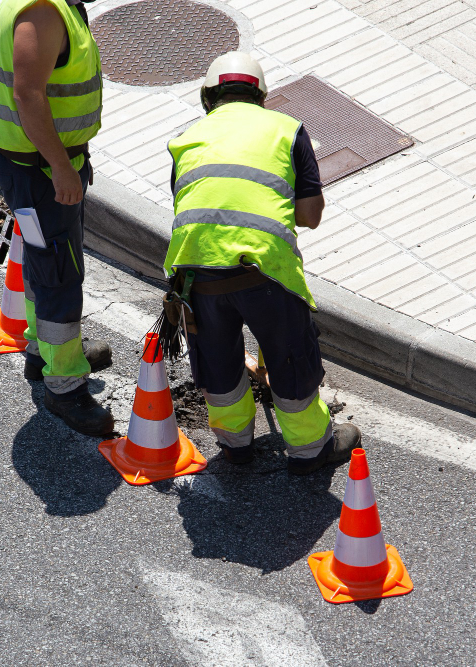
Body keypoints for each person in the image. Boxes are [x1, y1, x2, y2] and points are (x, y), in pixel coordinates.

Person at [164, 52, 361, 475]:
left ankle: (235, 445)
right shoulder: (287, 131)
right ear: (262, 96)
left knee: (217, 361)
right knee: (290, 357)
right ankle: (310, 449)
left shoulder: (185, 139)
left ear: (207, 97)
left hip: (194, 274)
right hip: (263, 272)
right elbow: (310, 215)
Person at [0, 0, 114, 436]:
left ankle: (47, 353)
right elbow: (27, 93)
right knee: (59, 271)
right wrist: (61, 166)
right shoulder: (43, 11)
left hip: (34, 169)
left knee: (44, 262)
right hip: (41, 172)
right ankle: (65, 386)